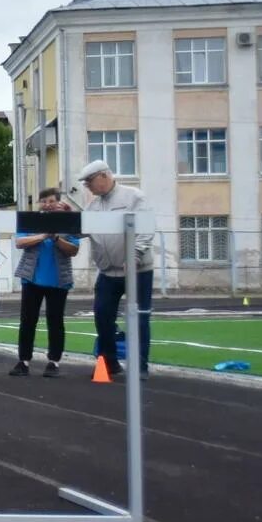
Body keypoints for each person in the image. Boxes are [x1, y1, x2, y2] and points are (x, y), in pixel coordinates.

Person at [79, 158, 153, 378]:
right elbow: (81, 229)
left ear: (104, 176)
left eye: (89, 181)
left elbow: (145, 227)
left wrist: (135, 255)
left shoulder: (134, 197)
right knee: (102, 315)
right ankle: (109, 363)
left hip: (137, 271)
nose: (88, 187)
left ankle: (140, 366)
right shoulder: (93, 205)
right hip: (108, 272)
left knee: (139, 317)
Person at [11, 188, 80, 377]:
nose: (47, 205)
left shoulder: (67, 222)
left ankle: (54, 362)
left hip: (59, 281)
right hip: (31, 278)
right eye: (44, 201)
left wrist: (56, 237)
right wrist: (43, 235)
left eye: (51, 201)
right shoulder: (30, 220)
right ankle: (23, 361)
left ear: (58, 203)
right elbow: (20, 242)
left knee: (55, 321)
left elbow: (73, 249)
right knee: (27, 320)